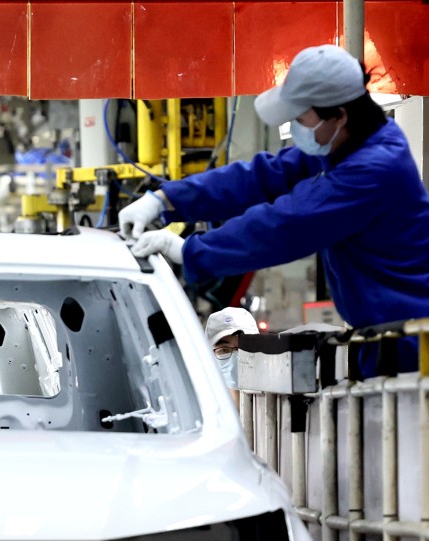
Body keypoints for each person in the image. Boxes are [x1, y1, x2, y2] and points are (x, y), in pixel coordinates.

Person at [119, 44, 429, 377]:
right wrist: (166, 199)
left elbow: (287, 226)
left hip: (412, 345)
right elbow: (262, 176)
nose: (295, 127)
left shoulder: (373, 169)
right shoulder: (348, 144)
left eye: (301, 117)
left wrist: (191, 250)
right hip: (385, 338)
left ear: (339, 114)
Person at [206, 307, 259, 407]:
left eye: (244, 348)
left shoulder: (274, 401)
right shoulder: (202, 406)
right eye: (224, 350)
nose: (236, 358)